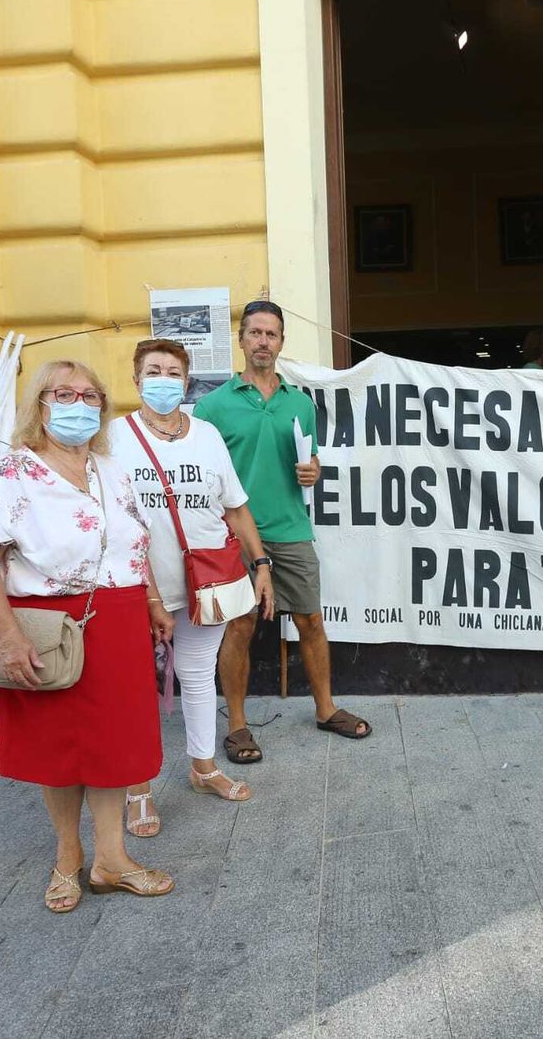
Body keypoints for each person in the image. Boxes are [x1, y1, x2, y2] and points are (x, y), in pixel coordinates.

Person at [0, 359, 175, 911]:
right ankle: (68, 858)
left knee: (112, 743)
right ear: (39, 403)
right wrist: (7, 636)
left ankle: (111, 859)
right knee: (58, 746)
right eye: (65, 394)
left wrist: (154, 602)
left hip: (118, 618)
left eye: (91, 396)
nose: (79, 405)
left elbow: (134, 544)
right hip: (45, 624)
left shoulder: (113, 470)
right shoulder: (9, 474)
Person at [109, 339, 276, 835]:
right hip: (138, 585)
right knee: (135, 686)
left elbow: (235, 506)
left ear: (186, 383)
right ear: (136, 380)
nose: (163, 379)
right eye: (153, 371)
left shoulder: (206, 435)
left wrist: (260, 562)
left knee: (200, 674)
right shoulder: (113, 438)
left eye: (173, 372)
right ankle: (137, 789)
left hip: (207, 580)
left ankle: (203, 766)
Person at [194, 300, 370, 764]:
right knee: (241, 625)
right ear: (242, 338)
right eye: (255, 333)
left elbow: (307, 461)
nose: (263, 342)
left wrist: (313, 471)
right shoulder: (212, 406)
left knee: (311, 620)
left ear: (281, 342)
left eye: (271, 335)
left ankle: (325, 709)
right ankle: (236, 725)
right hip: (234, 534)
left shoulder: (300, 403)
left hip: (291, 528)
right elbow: (202, 473)